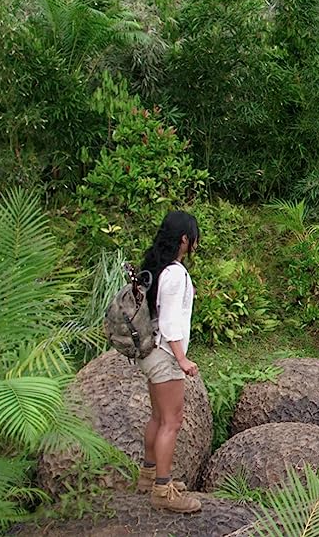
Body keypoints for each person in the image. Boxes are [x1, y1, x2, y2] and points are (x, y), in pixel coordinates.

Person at [135, 211, 202, 513]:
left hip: (150, 351)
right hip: (165, 354)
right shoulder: (175, 274)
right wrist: (182, 359)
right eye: (194, 236)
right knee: (171, 422)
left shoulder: (154, 267)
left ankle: (149, 475)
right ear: (185, 238)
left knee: (158, 418)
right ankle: (163, 488)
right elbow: (171, 321)